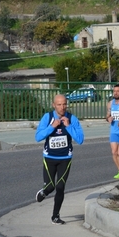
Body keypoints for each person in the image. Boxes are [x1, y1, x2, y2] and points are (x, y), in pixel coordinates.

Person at [35, 94, 84, 225]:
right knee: (51, 186)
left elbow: (80, 139)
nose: (62, 107)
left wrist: (68, 126)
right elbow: (38, 137)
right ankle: (44, 192)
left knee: (60, 187)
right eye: (59, 104)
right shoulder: (48, 117)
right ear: (54, 105)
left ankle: (55, 216)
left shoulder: (72, 119)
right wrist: (52, 127)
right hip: (49, 158)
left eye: (64, 104)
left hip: (65, 158)